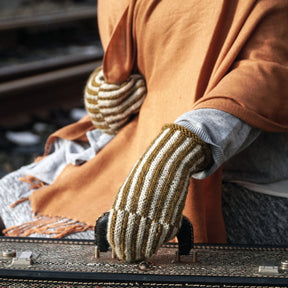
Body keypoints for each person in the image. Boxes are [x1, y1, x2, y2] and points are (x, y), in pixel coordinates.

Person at [0, 0, 288, 262]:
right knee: (8, 191)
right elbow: (146, 46)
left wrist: (183, 147)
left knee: (87, 250)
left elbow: (269, 67)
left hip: (247, 174)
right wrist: (106, 86)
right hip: (135, 141)